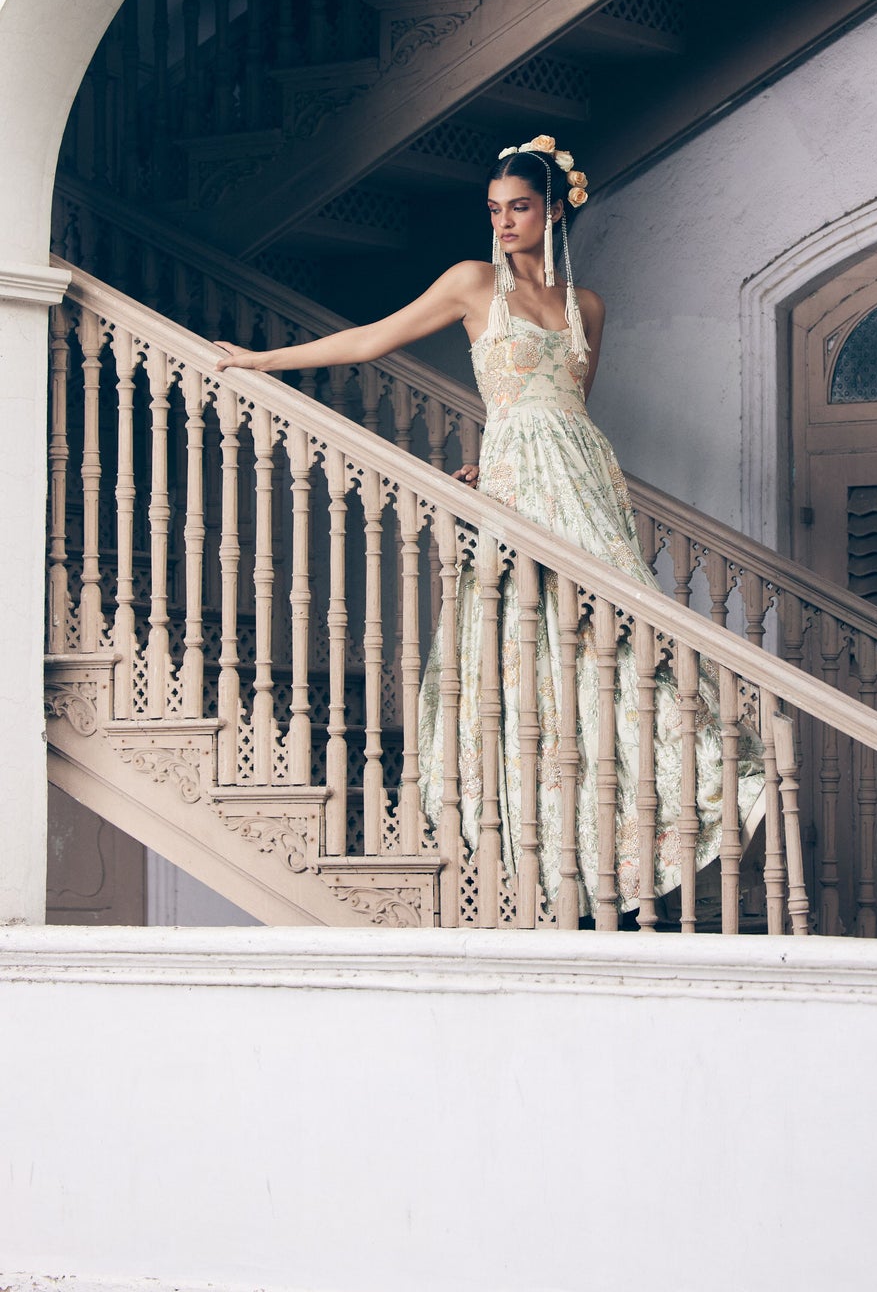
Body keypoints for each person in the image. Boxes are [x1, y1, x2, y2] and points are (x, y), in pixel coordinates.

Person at [215, 135, 763, 918]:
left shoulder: (589, 306)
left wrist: (512, 452)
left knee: (613, 640)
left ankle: (645, 826)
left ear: (553, 211)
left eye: (519, 209)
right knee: (520, 646)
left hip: (583, 479)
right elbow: (373, 339)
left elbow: (570, 409)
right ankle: (533, 859)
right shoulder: (474, 284)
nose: (504, 222)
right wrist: (261, 361)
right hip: (516, 483)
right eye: (495, 210)